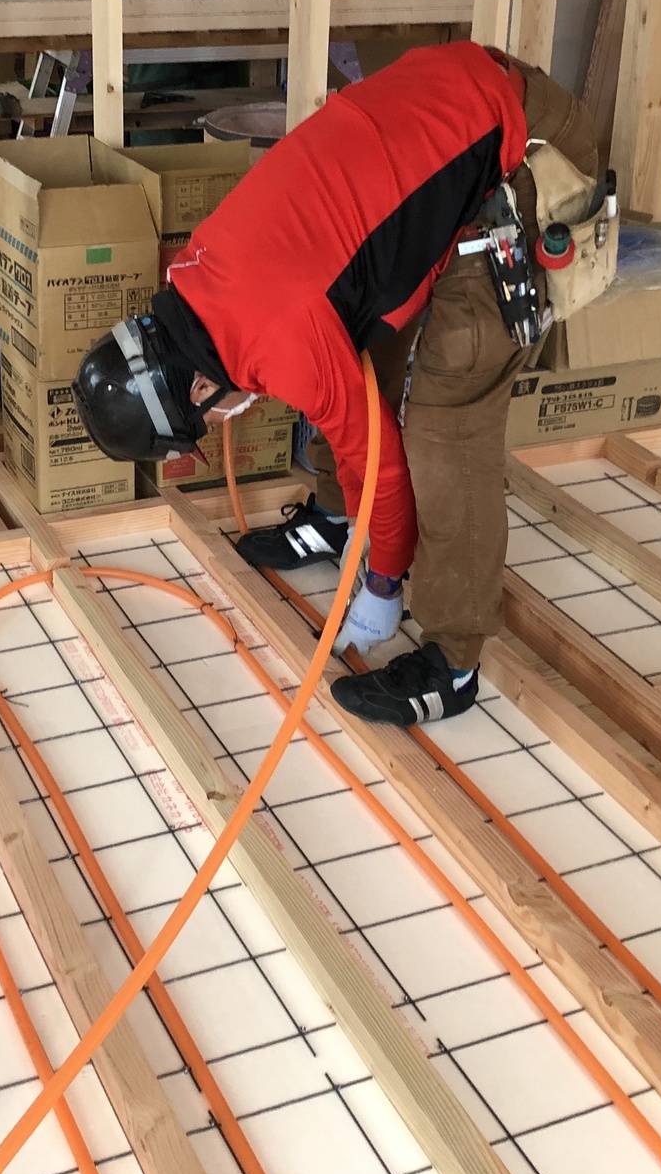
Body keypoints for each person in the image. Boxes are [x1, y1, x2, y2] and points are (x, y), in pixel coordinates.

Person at [74, 40, 597, 726]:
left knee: (446, 420)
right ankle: (336, 518)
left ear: (198, 391)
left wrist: (382, 579)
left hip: (525, 153)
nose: (220, 424)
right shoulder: (195, 276)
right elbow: (338, 375)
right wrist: (361, 517)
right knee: (352, 362)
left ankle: (454, 661)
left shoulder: (276, 336)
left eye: (204, 424)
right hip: (448, 109)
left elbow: (377, 459)